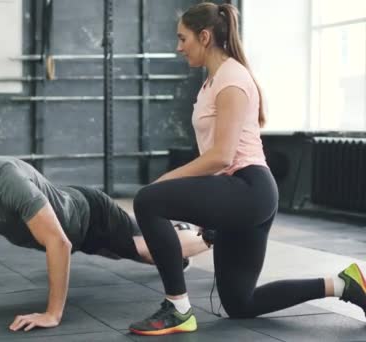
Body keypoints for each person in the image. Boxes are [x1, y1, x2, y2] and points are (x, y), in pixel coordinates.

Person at [128, 2, 366, 336]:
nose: (179, 46)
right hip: (237, 193)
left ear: (205, 36)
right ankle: (344, 285)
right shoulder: (213, 81)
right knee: (240, 303)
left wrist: (168, 179)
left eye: (183, 38)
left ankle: (178, 307)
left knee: (148, 200)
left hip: (248, 189)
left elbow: (223, 156)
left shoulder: (232, 79)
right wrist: (208, 213)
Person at [0, 155, 210, 332]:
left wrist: (52, 314)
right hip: (73, 218)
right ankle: (181, 233)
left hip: (91, 218)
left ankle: (212, 232)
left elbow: (59, 243)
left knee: (146, 250)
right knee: (150, 246)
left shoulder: (7, 184)